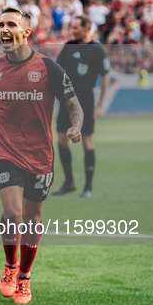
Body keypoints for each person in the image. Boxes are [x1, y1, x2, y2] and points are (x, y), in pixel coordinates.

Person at [0, 6, 83, 304]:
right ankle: (10, 266)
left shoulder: (48, 67)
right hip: (4, 149)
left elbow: (73, 103)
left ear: (26, 32)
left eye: (11, 24)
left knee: (33, 218)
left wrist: (76, 127)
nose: (4, 29)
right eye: (1, 24)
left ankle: (24, 276)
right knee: (13, 212)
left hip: (39, 154)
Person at [53, 15, 111, 198]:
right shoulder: (69, 47)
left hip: (85, 100)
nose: (73, 30)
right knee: (61, 140)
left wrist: (100, 105)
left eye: (77, 27)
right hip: (66, 100)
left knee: (87, 141)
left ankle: (88, 187)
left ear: (87, 28)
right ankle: (69, 182)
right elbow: (57, 70)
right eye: (72, 27)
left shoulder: (96, 50)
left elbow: (106, 76)